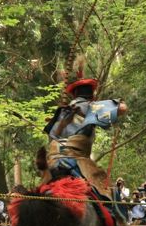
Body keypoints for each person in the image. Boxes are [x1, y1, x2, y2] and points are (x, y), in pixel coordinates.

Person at [42, 61, 128, 198]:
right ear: (91, 95)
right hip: (76, 162)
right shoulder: (91, 107)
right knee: (111, 194)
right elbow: (123, 108)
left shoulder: (61, 111)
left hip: (52, 163)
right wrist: (106, 106)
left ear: (73, 95)